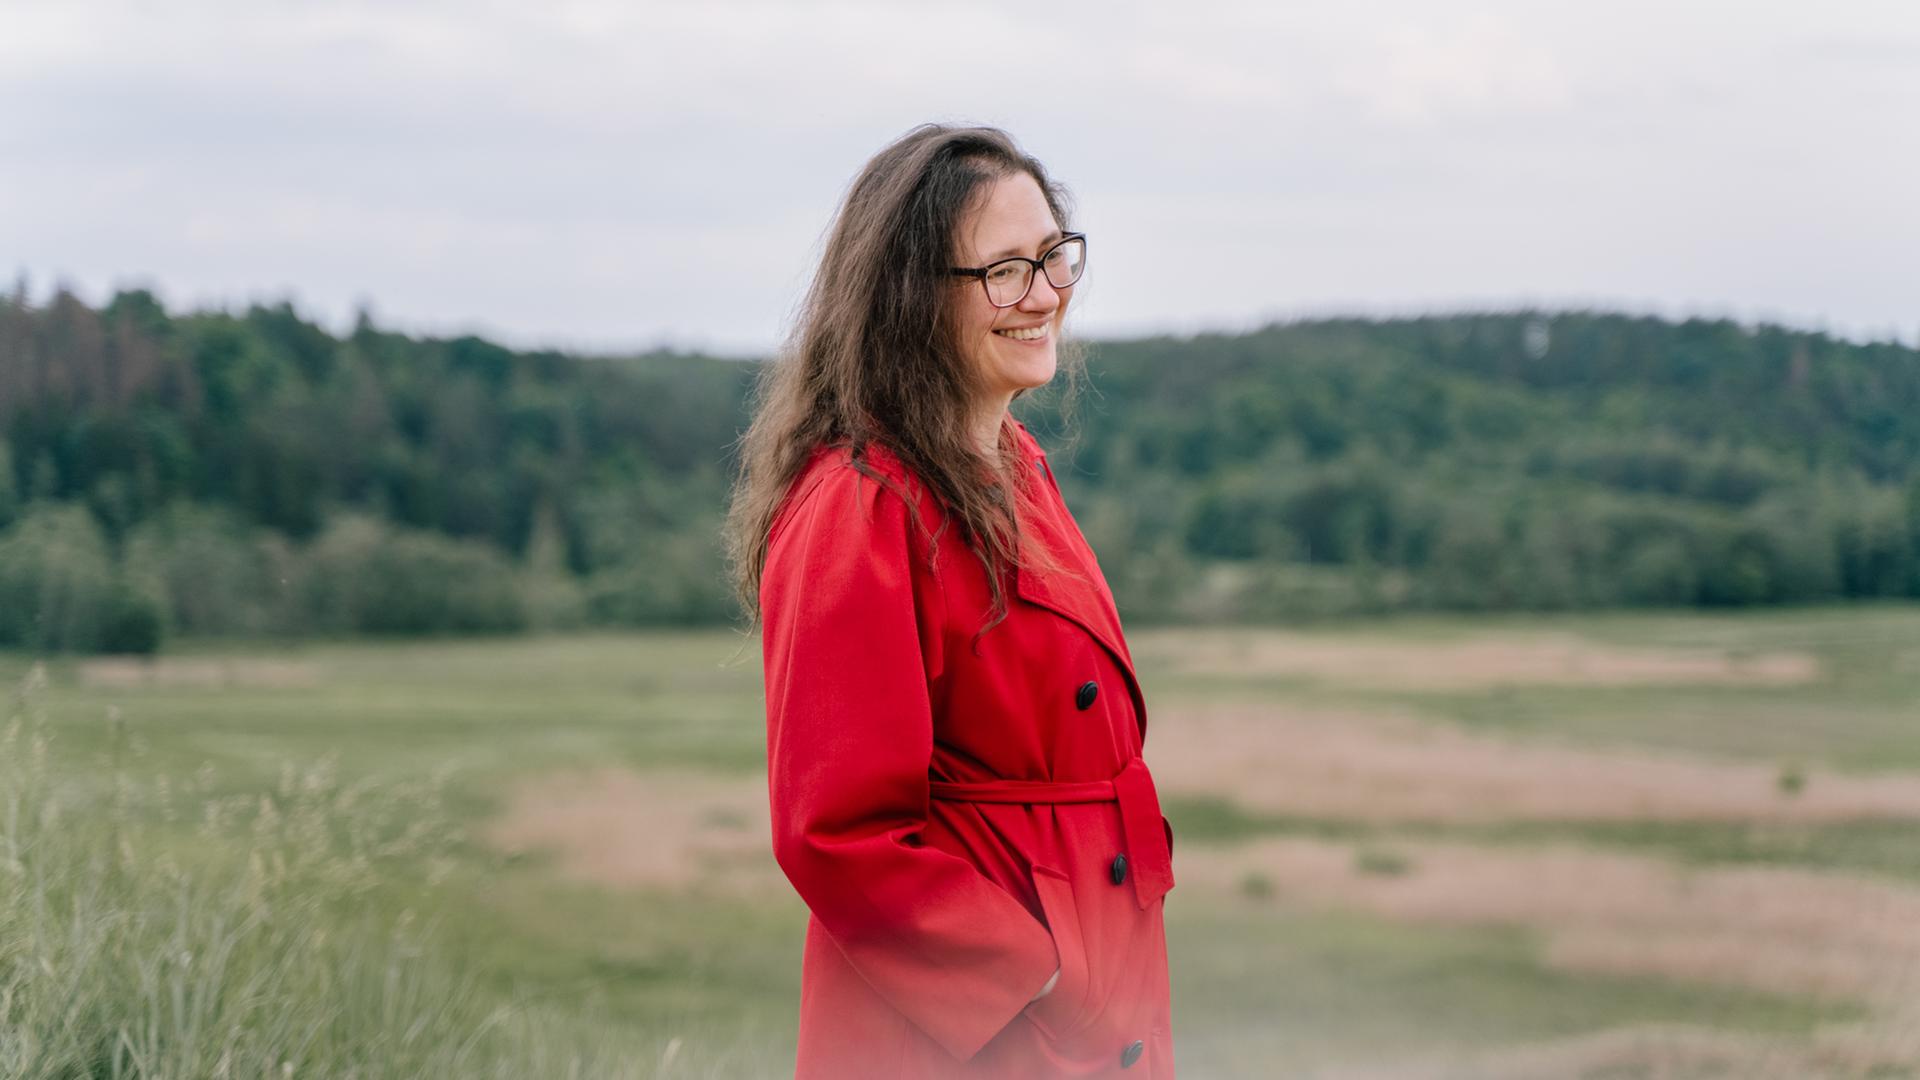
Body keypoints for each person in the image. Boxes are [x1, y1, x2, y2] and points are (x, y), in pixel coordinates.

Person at [725, 123, 1176, 1078]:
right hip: (969, 1031)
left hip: (1091, 995)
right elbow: (836, 831)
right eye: (1005, 270)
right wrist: (1041, 976)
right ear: (910, 297)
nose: (1047, 294)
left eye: (1056, 256)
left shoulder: (1010, 465)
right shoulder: (861, 503)